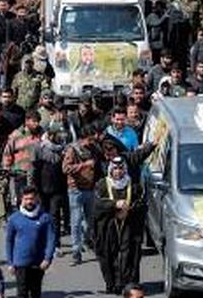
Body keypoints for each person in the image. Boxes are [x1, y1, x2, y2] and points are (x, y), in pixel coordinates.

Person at [93, 156, 145, 295]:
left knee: (130, 254)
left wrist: (128, 210)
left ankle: (129, 283)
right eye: (115, 168)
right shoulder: (102, 184)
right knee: (109, 255)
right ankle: (113, 284)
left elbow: (141, 203)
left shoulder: (133, 185)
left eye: (121, 168)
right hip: (109, 226)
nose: (118, 171)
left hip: (129, 224)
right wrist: (114, 205)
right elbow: (97, 204)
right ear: (111, 170)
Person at [5, 186, 56, 298]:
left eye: (31, 198)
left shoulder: (45, 218)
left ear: (37, 199)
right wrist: (10, 262)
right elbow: (9, 241)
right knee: (22, 293)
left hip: (38, 263)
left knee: (35, 293)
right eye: (26, 199)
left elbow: (51, 239)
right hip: (20, 263)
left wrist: (48, 259)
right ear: (21, 199)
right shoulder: (14, 218)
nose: (29, 202)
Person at [62, 126, 99, 266]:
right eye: (90, 139)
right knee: (76, 221)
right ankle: (76, 250)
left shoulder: (93, 149)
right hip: (75, 189)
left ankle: (85, 241)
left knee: (90, 221)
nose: (92, 142)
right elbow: (65, 168)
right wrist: (83, 165)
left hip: (90, 188)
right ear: (84, 138)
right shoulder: (72, 150)